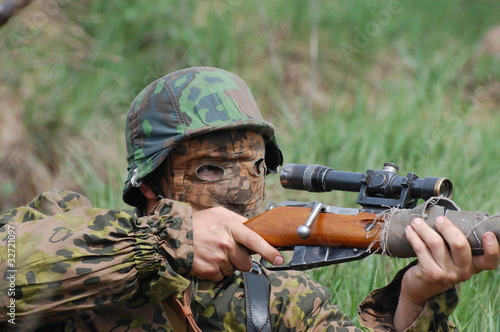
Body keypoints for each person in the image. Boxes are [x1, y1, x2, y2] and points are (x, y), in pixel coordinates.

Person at [0, 66, 498, 332]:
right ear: (149, 187)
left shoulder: (281, 298)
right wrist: (163, 243)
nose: (242, 191)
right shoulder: (69, 234)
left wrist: (415, 298)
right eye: (210, 169)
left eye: (256, 167)